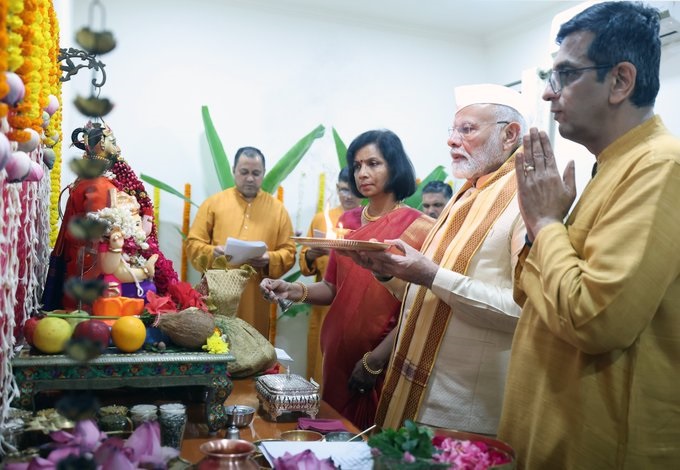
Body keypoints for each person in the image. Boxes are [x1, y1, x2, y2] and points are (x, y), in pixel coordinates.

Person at [498, 3, 680, 468]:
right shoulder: (612, 166)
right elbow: (535, 295)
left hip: (601, 444)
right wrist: (545, 229)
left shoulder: (661, 168)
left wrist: (545, 224)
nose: (546, 94)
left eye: (564, 75)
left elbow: (594, 320)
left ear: (620, 81)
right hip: (552, 425)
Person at [345, 84, 527, 435]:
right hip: (415, 393)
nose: (452, 141)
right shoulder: (468, 193)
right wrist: (388, 273)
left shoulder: (525, 199)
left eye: (468, 130)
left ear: (510, 134)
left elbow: (524, 312)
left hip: (463, 411)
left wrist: (429, 275)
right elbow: (428, 293)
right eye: (453, 130)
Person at [261, 130, 434, 429]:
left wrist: (375, 361)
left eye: (373, 164)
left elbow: (419, 307)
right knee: (332, 435)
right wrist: (291, 289)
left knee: (368, 438)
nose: (362, 173)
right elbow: (331, 288)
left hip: (381, 355)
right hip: (335, 353)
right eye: (357, 166)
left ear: (395, 167)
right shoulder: (346, 224)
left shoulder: (420, 227)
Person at [186, 146, 296, 337]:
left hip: (255, 297)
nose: (250, 178)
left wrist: (269, 258)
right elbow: (193, 244)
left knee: (252, 348)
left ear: (263, 174)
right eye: (244, 172)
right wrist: (213, 252)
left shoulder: (278, 210)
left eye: (256, 173)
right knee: (215, 344)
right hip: (217, 295)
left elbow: (289, 251)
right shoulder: (213, 204)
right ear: (234, 170)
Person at [299, 166, 361, 384]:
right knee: (319, 367)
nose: (347, 196)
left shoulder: (367, 220)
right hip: (323, 305)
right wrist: (311, 255)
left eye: (352, 191)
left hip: (355, 309)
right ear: (337, 188)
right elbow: (305, 262)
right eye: (343, 190)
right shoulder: (321, 219)